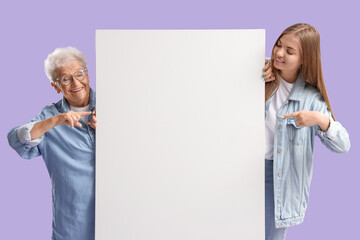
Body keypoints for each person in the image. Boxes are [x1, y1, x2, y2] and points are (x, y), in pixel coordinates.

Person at [261, 23, 350, 240]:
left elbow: (343, 146)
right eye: (278, 45)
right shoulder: (262, 76)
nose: (279, 53)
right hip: (240, 168)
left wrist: (320, 119)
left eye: (290, 51)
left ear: (304, 59)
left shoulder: (312, 99)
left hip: (277, 178)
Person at [7, 47, 97, 240]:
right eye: (65, 79)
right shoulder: (49, 116)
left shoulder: (116, 106)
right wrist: (56, 120)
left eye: (79, 74)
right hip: (74, 225)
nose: (75, 83)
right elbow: (16, 138)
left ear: (88, 74)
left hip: (122, 217)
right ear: (56, 86)